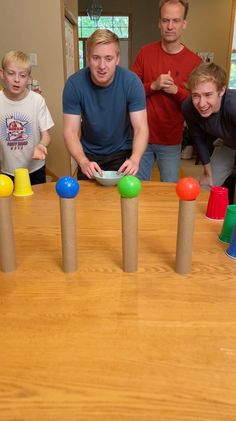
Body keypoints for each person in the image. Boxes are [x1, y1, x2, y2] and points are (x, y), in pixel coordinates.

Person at [63, 29, 148, 180]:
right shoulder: (74, 84)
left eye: (108, 58)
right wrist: (82, 161)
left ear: (117, 59)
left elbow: (141, 128)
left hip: (122, 154)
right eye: (96, 58)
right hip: (88, 156)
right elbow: (70, 131)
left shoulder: (132, 82)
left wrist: (135, 159)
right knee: (88, 202)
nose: (102, 66)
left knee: (122, 201)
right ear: (88, 58)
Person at [131, 0, 202, 182]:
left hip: (171, 140)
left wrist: (176, 90)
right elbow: (129, 92)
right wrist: (153, 86)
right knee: (137, 189)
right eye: (165, 20)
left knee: (169, 191)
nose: (170, 26)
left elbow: (198, 104)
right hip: (142, 137)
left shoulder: (194, 62)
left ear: (184, 24)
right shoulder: (145, 53)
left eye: (176, 21)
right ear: (159, 23)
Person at [0, 50, 54, 185]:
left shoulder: (37, 101)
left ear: (29, 78)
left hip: (35, 170)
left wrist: (41, 145)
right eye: (11, 73)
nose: (17, 79)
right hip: (7, 172)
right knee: (10, 206)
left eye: (22, 75)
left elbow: (46, 135)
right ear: (2, 74)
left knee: (36, 205)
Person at [182, 62, 236, 188]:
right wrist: (208, 172)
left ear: (221, 90)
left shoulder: (232, 106)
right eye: (196, 96)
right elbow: (198, 139)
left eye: (208, 95)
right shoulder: (188, 107)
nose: (202, 104)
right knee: (206, 185)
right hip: (228, 143)